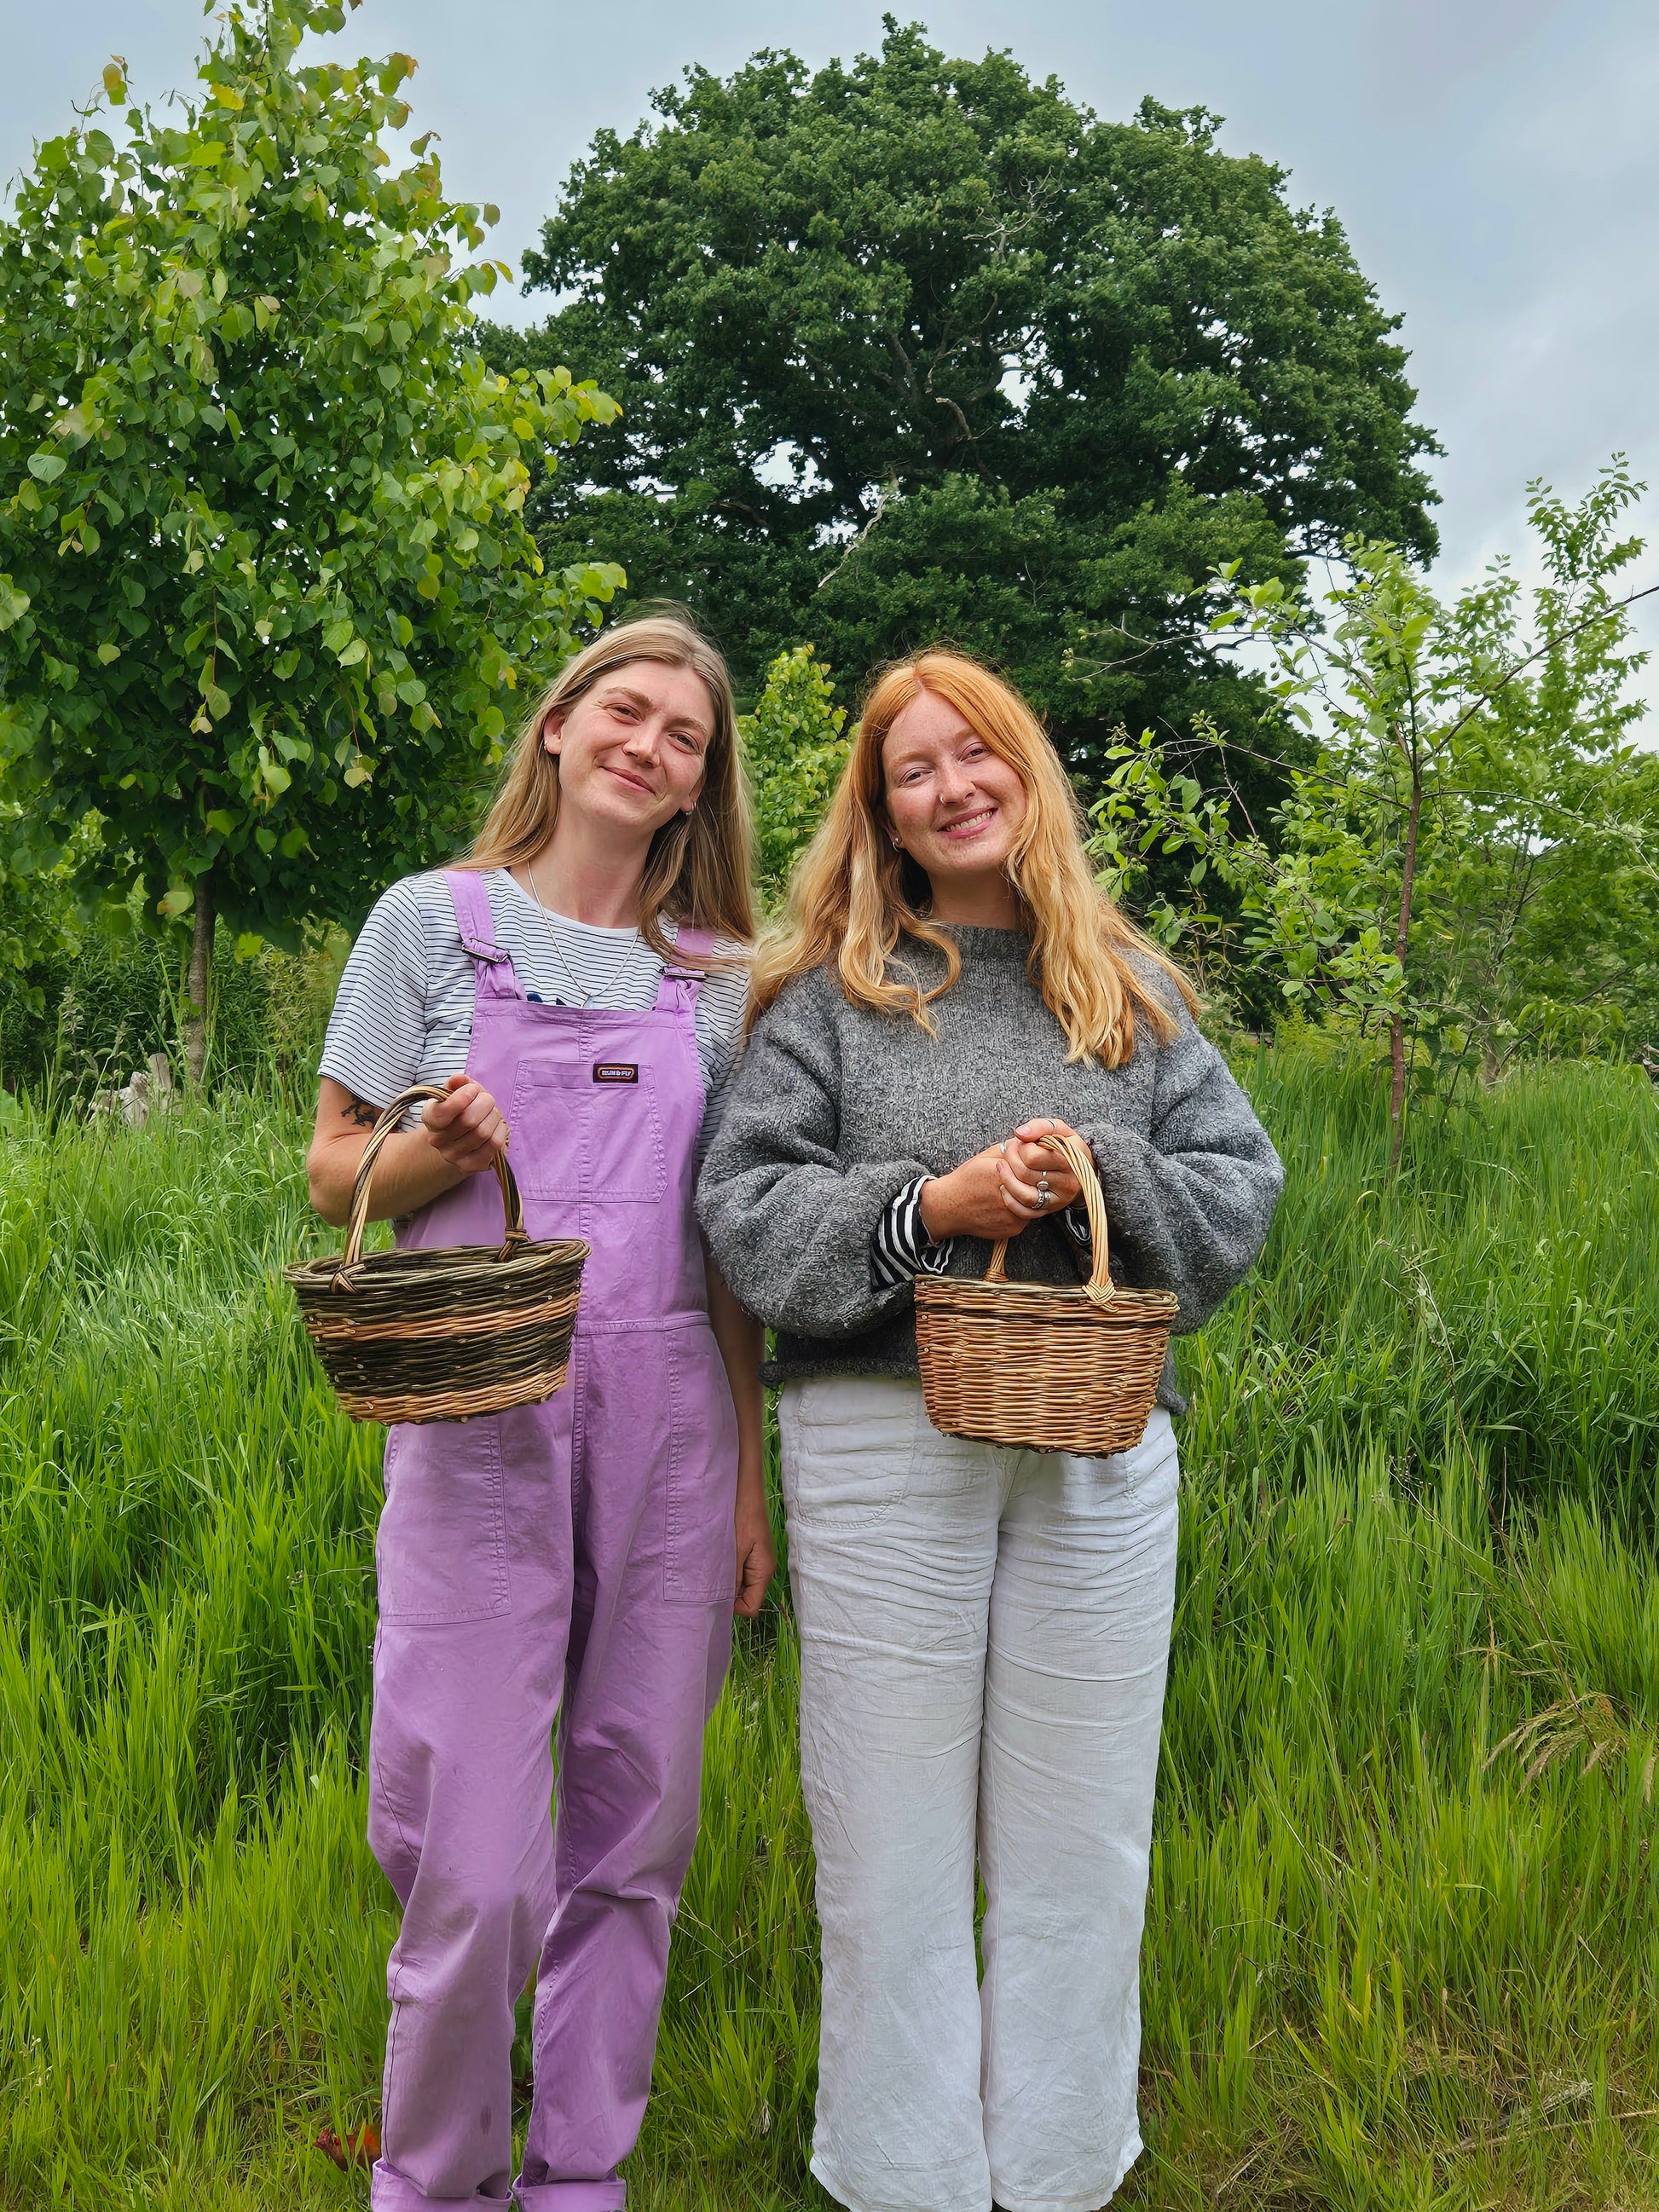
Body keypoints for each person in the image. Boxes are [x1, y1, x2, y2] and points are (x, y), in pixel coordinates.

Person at [697, 649, 1282, 2212]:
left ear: (1025, 771)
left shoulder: (1129, 989)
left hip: (1101, 1454)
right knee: (887, 1844)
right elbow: (744, 1210)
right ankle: (906, 2177)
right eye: (915, 770)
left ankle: (1059, 2167)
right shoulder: (829, 997)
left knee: (1081, 1837)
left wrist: (1098, 1166)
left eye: (977, 755)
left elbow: (1237, 1193)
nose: (953, 787)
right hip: (878, 1445)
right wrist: (930, 1208)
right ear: (881, 812)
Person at [306, 611, 773, 2212]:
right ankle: (436, 2179)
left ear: (700, 785)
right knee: (475, 1859)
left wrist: (748, 1483)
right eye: (625, 711)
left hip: (671, 1428)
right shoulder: (426, 925)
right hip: (478, 1422)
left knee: (636, 1830)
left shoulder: (720, 982)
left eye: (684, 737)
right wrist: (435, 1148)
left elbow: (729, 1252)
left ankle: (582, 2175)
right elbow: (332, 1174)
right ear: (561, 723)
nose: (649, 746)